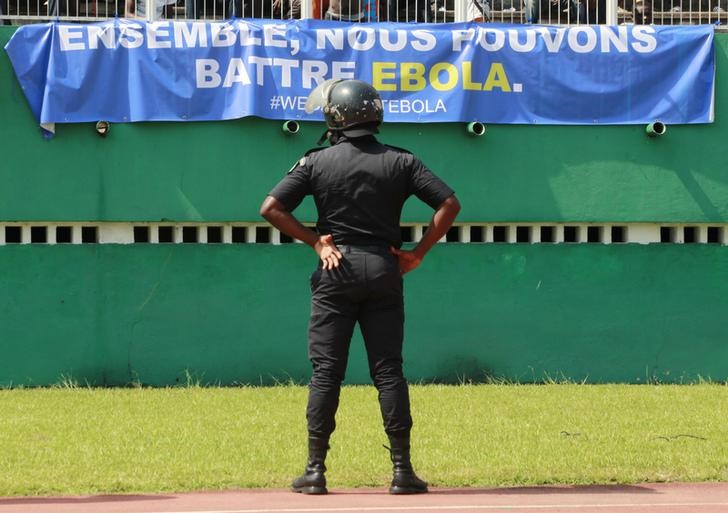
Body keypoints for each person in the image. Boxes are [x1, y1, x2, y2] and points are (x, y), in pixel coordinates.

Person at [260, 79, 460, 495]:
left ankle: (315, 471)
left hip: (336, 270)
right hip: (385, 267)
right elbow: (449, 204)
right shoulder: (402, 161)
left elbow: (271, 208)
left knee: (326, 372)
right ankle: (402, 472)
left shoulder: (316, 161)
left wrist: (316, 241)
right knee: (388, 371)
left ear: (335, 115)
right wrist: (418, 251)